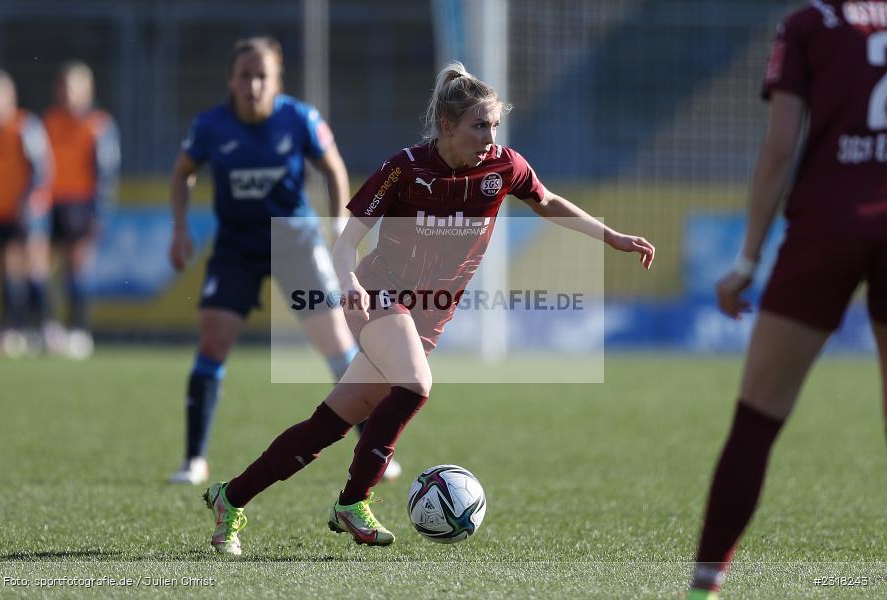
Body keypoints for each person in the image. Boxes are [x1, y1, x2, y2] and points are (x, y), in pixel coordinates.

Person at [198, 61, 655, 555]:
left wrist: (611, 236)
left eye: (494, 125)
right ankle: (353, 502)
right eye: (479, 125)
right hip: (377, 293)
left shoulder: (504, 167)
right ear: (447, 126)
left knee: (329, 424)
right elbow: (346, 238)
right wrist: (347, 278)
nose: (490, 136)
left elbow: (548, 202)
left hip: (428, 315)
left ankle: (232, 496)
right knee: (416, 384)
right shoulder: (406, 168)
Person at [686, 2, 887, 598]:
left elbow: (778, 149)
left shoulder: (809, 23)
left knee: (757, 417)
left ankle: (703, 586)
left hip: (826, 225)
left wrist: (747, 260)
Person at [167, 36, 401, 485]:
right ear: (231, 80)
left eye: (262, 77)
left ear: (276, 82)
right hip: (236, 247)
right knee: (212, 346)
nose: (253, 85)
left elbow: (333, 167)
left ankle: (375, 449)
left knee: (336, 346)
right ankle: (194, 459)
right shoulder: (211, 127)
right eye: (245, 76)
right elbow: (182, 173)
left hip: (294, 243)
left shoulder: (299, 118)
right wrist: (179, 228)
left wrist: (339, 228)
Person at [43, 60, 120, 358]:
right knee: (47, 268)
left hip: (82, 203)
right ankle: (50, 328)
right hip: (51, 203)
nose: (65, 93)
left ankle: (79, 331)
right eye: (61, 87)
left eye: (71, 87)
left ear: (87, 90)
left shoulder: (98, 124)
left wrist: (100, 210)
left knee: (79, 267)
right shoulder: (49, 121)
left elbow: (107, 172)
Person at [0, 69, 53, 357]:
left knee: (34, 268)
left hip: (28, 211)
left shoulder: (25, 126)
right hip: (0, 210)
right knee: (8, 273)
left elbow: (42, 169)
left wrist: (27, 201)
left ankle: (45, 329)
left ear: (9, 98)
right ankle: (12, 330)